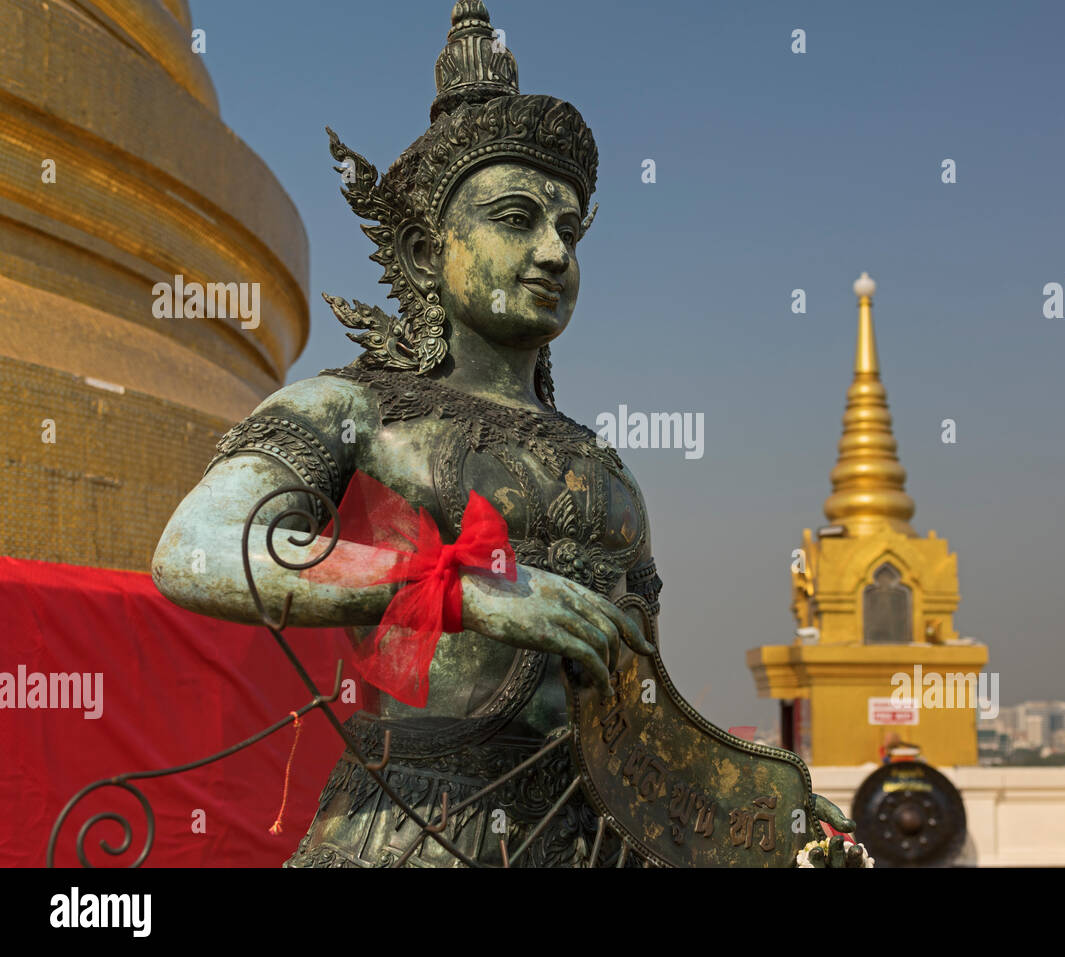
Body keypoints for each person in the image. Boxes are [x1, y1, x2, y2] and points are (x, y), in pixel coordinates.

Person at [152, 0, 856, 867]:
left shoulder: (605, 473)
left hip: (599, 840)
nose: (556, 252)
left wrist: (752, 801)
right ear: (421, 251)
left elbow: (639, 708)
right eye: (518, 219)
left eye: (570, 230)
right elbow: (198, 548)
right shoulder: (355, 410)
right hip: (410, 831)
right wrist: (457, 588)